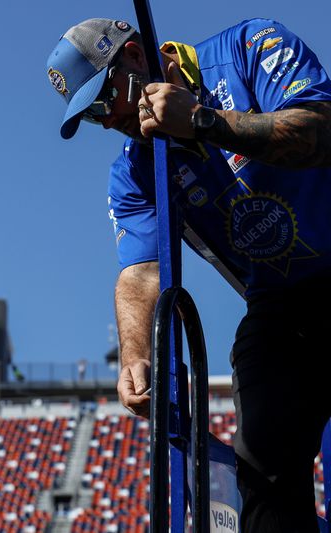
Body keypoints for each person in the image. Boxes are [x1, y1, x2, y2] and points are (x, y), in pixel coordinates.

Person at [46, 17, 331, 533]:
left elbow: (320, 129)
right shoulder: (135, 172)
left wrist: (203, 121)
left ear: (135, 56)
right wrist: (136, 355)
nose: (106, 120)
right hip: (281, 304)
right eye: (89, 116)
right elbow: (140, 272)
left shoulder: (249, 48)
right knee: (261, 460)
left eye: (103, 99)